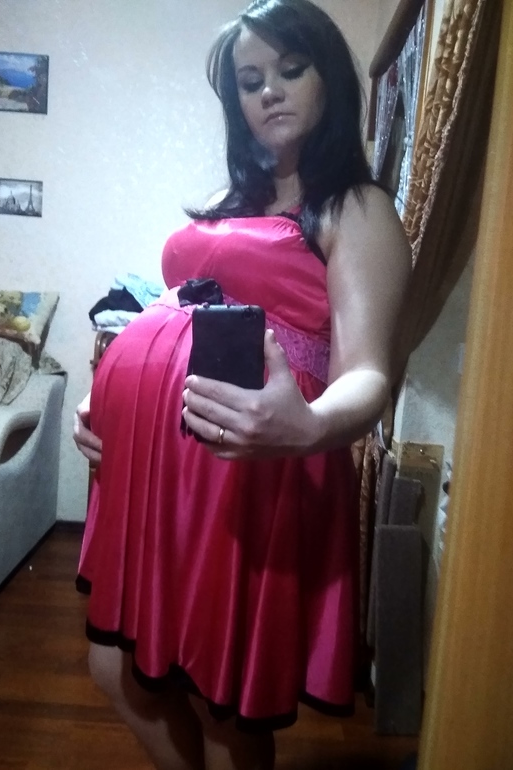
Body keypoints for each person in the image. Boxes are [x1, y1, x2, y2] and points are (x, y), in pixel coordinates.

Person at [73, 1, 411, 768]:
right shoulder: (236, 207)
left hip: (249, 479)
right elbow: (170, 312)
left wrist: (310, 426)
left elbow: (369, 373)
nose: (270, 91)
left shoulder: (354, 208)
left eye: (291, 69)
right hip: (156, 477)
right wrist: (110, 397)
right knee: (116, 668)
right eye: (250, 80)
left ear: (330, 79)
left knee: (216, 698)